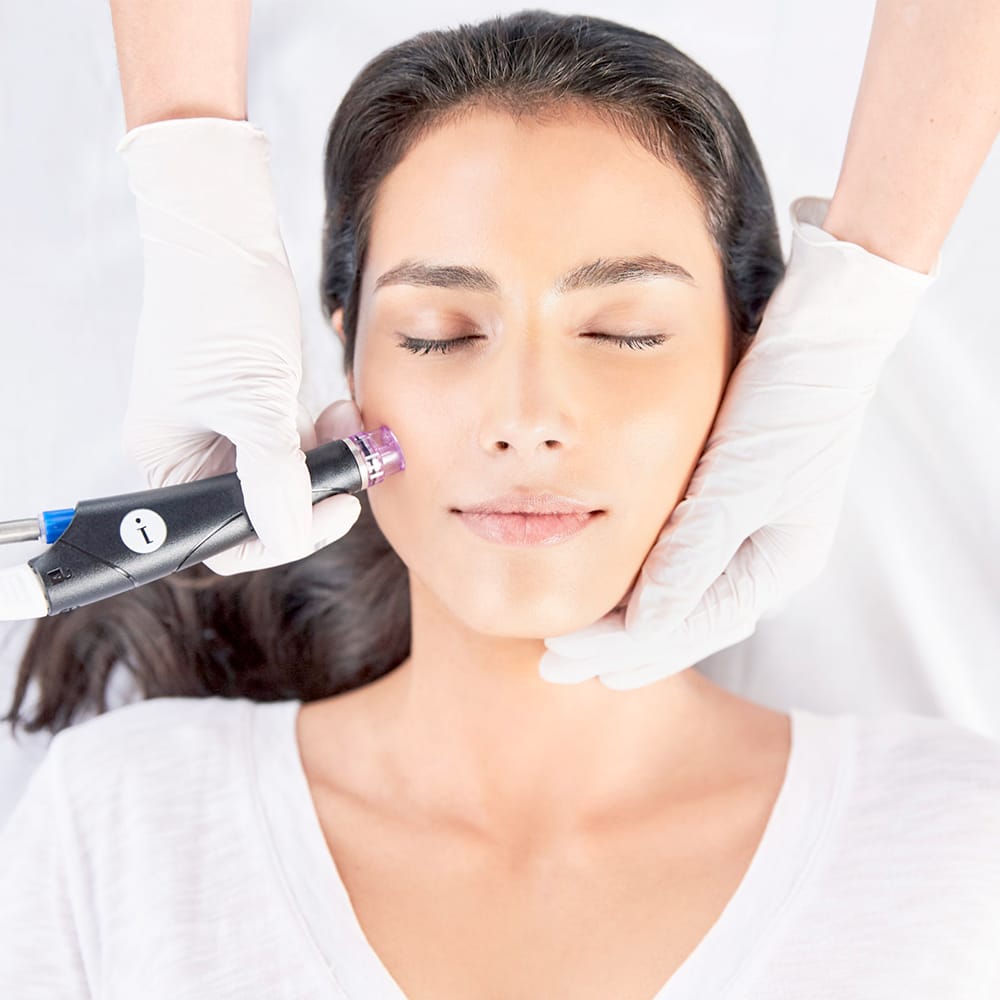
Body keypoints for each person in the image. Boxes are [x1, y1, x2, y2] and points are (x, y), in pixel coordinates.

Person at [2, 12, 999, 997]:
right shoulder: (126, 819)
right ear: (346, 364)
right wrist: (187, 177)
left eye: (622, 332)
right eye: (438, 331)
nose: (525, 419)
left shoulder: (953, 842)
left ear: (754, 367)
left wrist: (860, 302)